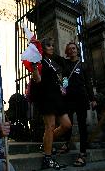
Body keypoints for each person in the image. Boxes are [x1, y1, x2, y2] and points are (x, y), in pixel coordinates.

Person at [31, 38, 71, 169]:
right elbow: (37, 79)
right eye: (48, 45)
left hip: (58, 97)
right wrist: (34, 68)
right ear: (43, 48)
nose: (52, 47)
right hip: (46, 96)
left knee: (66, 125)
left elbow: (63, 77)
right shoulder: (39, 60)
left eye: (53, 45)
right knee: (50, 126)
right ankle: (47, 159)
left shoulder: (55, 61)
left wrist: (64, 87)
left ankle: (46, 142)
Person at [57, 42, 97, 167]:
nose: (72, 51)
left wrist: (92, 98)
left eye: (74, 48)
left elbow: (88, 83)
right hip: (69, 98)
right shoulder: (66, 64)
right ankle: (67, 143)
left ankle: (83, 153)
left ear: (77, 50)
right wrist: (63, 89)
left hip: (81, 98)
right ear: (67, 52)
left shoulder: (84, 65)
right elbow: (64, 79)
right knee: (67, 124)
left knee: (82, 125)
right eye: (69, 49)